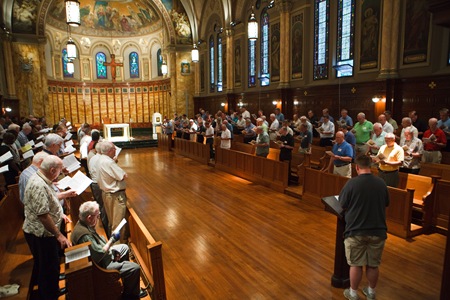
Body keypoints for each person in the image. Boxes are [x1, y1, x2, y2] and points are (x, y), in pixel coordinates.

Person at [71, 201, 147, 299]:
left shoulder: (82, 223)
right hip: (100, 267)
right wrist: (112, 240)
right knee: (134, 268)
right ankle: (131, 295)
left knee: (124, 247)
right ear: (89, 218)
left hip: (100, 258)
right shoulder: (84, 235)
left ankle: (126, 281)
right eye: (97, 216)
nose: (98, 218)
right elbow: (99, 255)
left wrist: (112, 251)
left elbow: (99, 244)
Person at [340, 155, 389, 300]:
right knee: (373, 265)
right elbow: (386, 203)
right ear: (371, 166)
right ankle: (371, 291)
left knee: (356, 264)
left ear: (356, 167)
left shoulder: (352, 184)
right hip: (377, 230)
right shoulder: (381, 183)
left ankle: (353, 293)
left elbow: (342, 204)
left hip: (356, 230)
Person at [23, 155, 72, 300]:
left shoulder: (42, 178)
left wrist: (60, 213)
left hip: (44, 233)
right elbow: (43, 215)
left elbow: (48, 200)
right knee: (47, 269)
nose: (59, 173)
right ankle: (50, 295)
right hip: (41, 235)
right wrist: (59, 235)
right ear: (52, 170)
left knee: (51, 266)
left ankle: (53, 290)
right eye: (59, 170)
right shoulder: (38, 184)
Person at [97, 142, 128, 243]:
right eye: (114, 149)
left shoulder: (100, 159)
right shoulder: (109, 162)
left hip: (106, 194)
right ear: (110, 151)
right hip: (115, 196)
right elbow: (122, 176)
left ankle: (114, 246)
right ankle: (118, 250)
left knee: (112, 222)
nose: (116, 150)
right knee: (118, 224)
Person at [88, 141, 110, 237]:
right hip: (99, 185)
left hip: (95, 184)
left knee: (102, 206)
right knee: (105, 208)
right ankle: (107, 230)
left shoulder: (93, 158)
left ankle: (105, 226)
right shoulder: (101, 159)